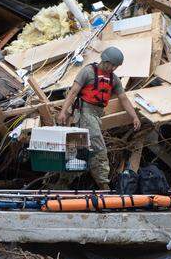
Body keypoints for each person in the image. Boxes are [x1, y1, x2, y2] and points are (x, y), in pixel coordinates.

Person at [56, 46, 142, 189]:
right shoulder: (87, 72)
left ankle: (63, 183)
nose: (113, 68)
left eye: (116, 66)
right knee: (99, 148)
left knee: (78, 149)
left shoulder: (113, 79)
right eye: (112, 65)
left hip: (96, 115)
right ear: (105, 60)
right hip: (84, 113)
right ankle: (103, 184)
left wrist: (134, 117)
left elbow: (123, 98)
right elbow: (73, 92)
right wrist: (63, 112)